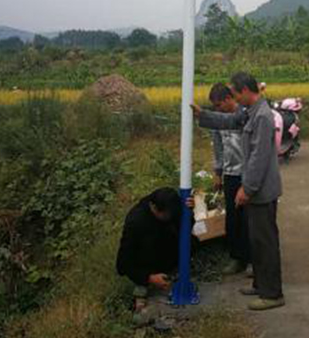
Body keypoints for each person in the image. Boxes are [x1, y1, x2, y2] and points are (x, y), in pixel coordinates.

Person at [193, 72, 284, 311]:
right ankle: (260, 284)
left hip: (261, 191)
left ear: (244, 90)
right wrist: (204, 116)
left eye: (234, 93)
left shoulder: (262, 117)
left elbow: (258, 158)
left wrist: (247, 188)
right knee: (255, 239)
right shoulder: (251, 113)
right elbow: (229, 121)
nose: (233, 97)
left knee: (265, 242)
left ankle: (272, 294)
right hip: (255, 189)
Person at [116, 187, 189, 315]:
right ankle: (143, 286)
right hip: (146, 263)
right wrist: (149, 278)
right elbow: (122, 264)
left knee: (192, 241)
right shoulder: (136, 222)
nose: (169, 217)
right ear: (154, 207)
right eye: (165, 215)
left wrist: (189, 211)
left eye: (170, 214)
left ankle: (170, 268)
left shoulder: (170, 207)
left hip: (165, 252)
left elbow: (185, 229)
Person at [208, 82, 251, 276]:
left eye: (218, 105)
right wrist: (218, 173)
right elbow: (218, 147)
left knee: (249, 219)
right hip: (230, 174)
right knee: (233, 219)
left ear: (228, 99)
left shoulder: (245, 116)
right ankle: (237, 258)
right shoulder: (217, 121)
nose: (216, 109)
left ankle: (253, 260)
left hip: (248, 174)